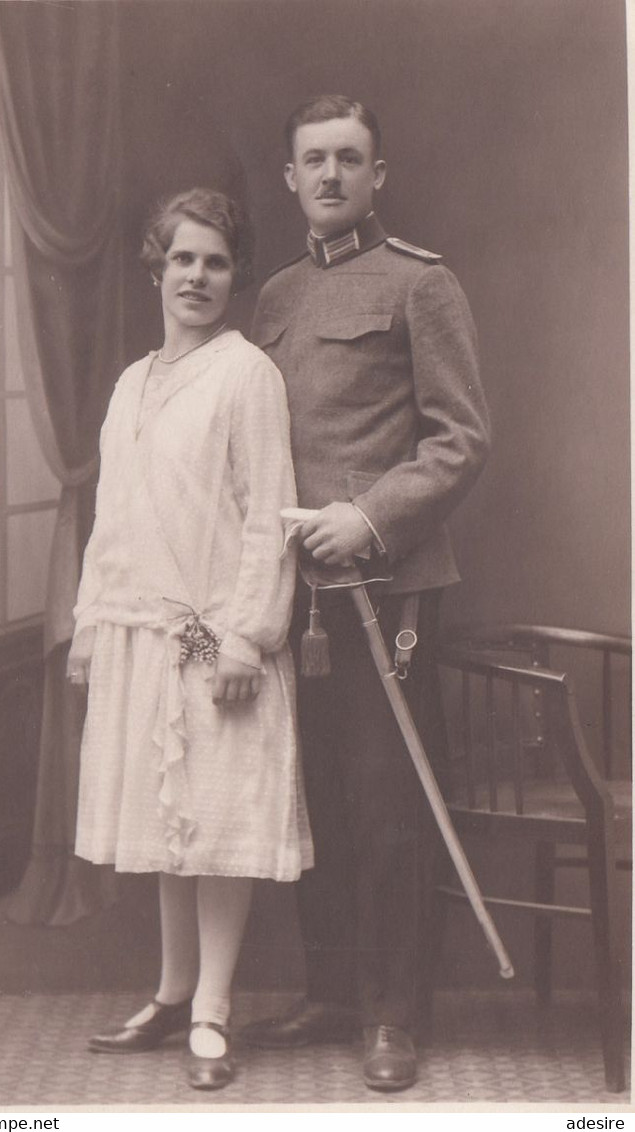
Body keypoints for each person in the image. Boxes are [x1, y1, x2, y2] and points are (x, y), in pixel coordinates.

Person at [242, 94, 491, 1091]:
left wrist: (371, 518)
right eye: (316, 159)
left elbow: (460, 438)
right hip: (289, 598)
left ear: (377, 174)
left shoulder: (421, 285)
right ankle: (334, 989)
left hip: (387, 591)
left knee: (385, 800)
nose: (333, 174)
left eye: (351, 157)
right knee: (311, 798)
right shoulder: (272, 298)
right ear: (292, 177)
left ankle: (394, 1014)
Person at [66, 187, 313, 1091]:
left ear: (234, 274)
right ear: (157, 266)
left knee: (214, 820)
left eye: (214, 261)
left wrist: (246, 638)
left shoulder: (246, 373)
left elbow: (265, 518)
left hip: (213, 638)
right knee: (169, 822)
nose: (197, 276)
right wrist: (93, 621)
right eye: (182, 258)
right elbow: (113, 515)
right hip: (143, 634)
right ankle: (170, 994)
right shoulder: (135, 381)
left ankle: (212, 1009)